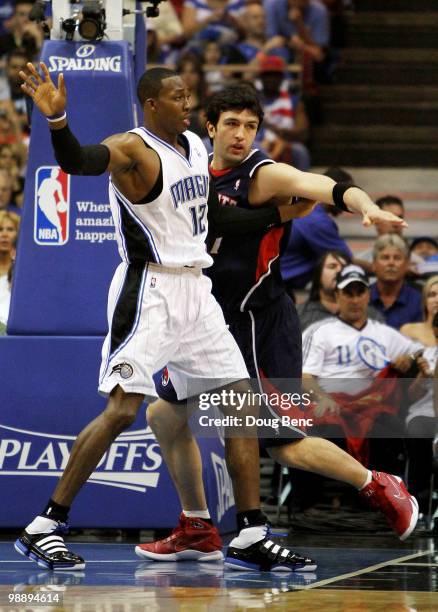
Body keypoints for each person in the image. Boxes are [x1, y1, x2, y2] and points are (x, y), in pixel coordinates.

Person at [16, 63, 319, 573]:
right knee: (121, 411)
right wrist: (58, 119)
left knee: (240, 400)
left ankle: (249, 531)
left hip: (196, 290)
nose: (189, 103)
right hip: (149, 288)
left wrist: (276, 215)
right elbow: (80, 162)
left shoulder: (196, 148)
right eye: (179, 97)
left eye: (189, 95)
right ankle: (45, 524)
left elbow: (215, 218)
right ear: (152, 104)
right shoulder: (132, 148)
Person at [135, 86, 417, 568]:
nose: (242, 134)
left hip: (255, 322)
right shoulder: (191, 169)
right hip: (203, 315)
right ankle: (199, 526)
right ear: (210, 127)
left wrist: (362, 204)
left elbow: (323, 184)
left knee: (278, 442)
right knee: (163, 416)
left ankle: (377, 484)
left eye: (250, 126)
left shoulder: (262, 175)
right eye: (232, 124)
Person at [280, 166, 353, 294]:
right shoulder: (318, 220)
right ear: (335, 194)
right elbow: (345, 259)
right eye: (347, 197)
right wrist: (376, 268)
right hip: (277, 285)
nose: (349, 204)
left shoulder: (301, 206)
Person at [297, 250, 384, 331]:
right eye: (332, 266)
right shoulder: (299, 314)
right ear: (318, 275)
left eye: (344, 267)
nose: (339, 270)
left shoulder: (372, 316)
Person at [370, 234, 422, 329]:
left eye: (397, 258)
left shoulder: (419, 302)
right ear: (373, 264)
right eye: (385, 258)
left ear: (407, 265)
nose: (391, 263)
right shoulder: (361, 298)